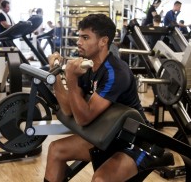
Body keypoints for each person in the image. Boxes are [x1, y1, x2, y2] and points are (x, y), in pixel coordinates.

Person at [45, 14, 152, 182]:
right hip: (108, 135)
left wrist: (71, 79)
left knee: (100, 179)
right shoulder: (86, 66)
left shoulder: (114, 72)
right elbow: (68, 109)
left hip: (137, 143)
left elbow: (83, 119)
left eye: (85, 37)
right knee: (56, 149)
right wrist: (56, 75)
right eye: (79, 36)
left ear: (103, 41)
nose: (79, 42)